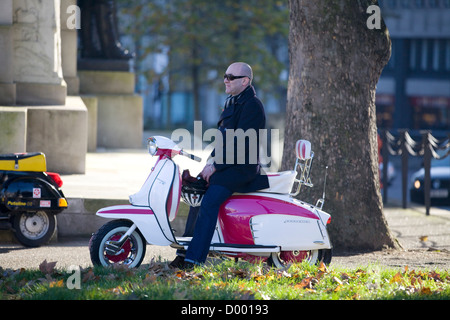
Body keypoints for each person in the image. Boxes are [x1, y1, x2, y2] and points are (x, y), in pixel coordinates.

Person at [171, 62, 269, 269]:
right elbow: (223, 140)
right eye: (225, 76)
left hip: (241, 169)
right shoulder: (232, 102)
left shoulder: (252, 105)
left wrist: (216, 166)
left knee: (209, 202)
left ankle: (194, 260)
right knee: (196, 195)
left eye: (230, 77)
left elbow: (241, 143)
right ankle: (184, 253)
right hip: (227, 165)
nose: (225, 79)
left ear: (245, 81)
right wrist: (210, 161)